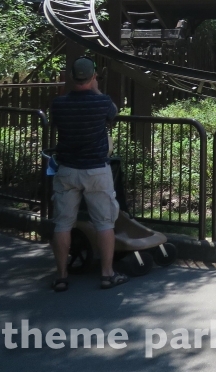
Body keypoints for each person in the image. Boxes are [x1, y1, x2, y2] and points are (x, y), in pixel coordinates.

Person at [48, 58, 125, 291]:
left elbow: (57, 123)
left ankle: (61, 276)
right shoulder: (102, 102)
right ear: (93, 77)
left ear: (71, 76)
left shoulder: (58, 104)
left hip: (68, 169)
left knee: (62, 224)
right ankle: (107, 274)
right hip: (96, 170)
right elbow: (113, 115)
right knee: (104, 223)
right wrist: (96, 88)